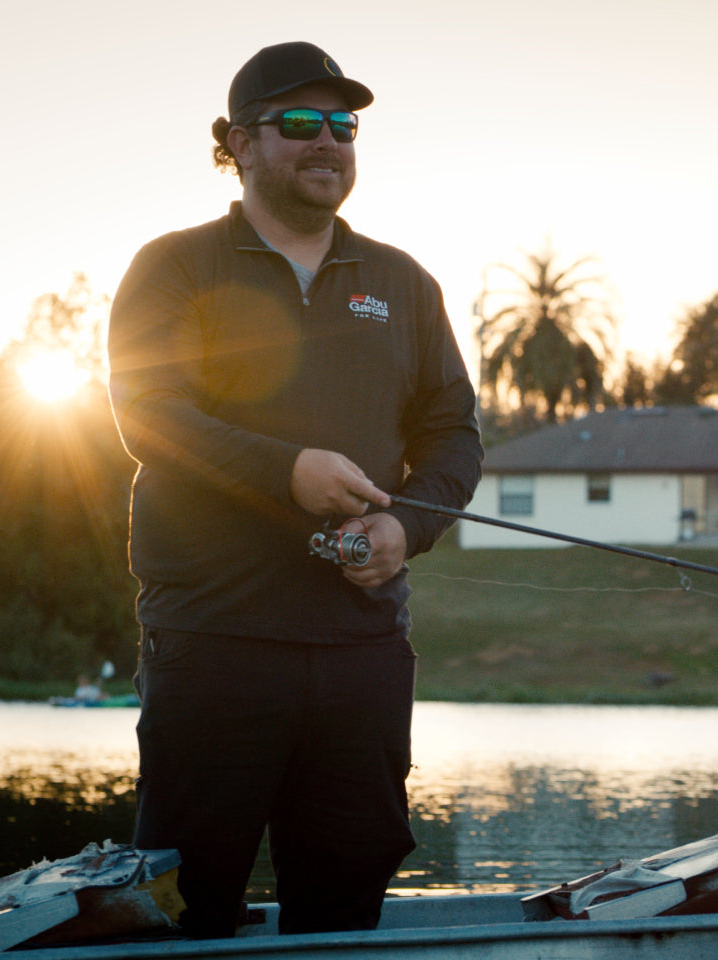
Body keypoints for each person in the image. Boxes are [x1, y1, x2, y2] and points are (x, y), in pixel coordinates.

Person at [107, 42, 483, 938]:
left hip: (362, 652)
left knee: (347, 900)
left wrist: (409, 529)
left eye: (344, 124)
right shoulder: (176, 266)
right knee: (186, 906)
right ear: (238, 142)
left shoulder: (403, 283)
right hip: (213, 645)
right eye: (302, 123)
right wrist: (287, 471)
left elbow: (455, 436)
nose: (330, 141)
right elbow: (148, 415)